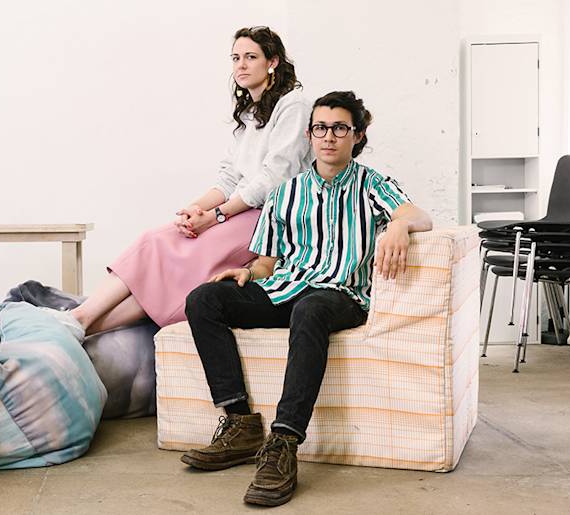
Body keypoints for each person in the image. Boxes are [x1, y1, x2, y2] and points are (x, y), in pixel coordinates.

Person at [180, 91, 433, 507]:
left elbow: (417, 215)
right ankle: (240, 424)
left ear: (358, 135)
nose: (328, 137)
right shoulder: (286, 192)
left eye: (339, 128)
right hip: (287, 288)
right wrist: (249, 272)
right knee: (204, 299)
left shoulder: (373, 185)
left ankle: (282, 443)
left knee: (311, 307)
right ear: (309, 135)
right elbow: (267, 263)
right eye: (320, 128)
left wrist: (397, 228)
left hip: (339, 296)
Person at [46, 26, 313, 340]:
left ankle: (84, 322)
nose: (240, 65)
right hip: (240, 211)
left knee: (175, 258)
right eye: (235, 58)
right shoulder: (249, 114)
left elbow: (273, 180)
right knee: (156, 240)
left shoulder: (293, 105)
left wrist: (216, 217)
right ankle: (82, 319)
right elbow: (228, 177)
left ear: (273, 62)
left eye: (250, 57)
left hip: (271, 216)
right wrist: (196, 209)